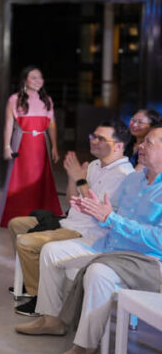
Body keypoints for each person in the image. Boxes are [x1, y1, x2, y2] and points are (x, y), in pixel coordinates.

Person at [15, 124, 162, 354]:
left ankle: (86, 347)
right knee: (52, 251)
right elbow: (115, 214)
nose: (141, 146)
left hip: (145, 261)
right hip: (111, 247)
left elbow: (158, 239)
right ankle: (52, 319)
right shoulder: (135, 180)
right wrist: (94, 210)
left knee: (99, 273)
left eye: (149, 143)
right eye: (142, 141)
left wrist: (111, 219)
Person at [8, 120, 134, 315]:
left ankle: (38, 298)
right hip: (69, 222)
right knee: (16, 224)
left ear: (119, 146)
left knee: (26, 242)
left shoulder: (124, 174)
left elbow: (97, 209)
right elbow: (72, 199)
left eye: (101, 138)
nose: (94, 141)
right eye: (93, 136)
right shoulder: (94, 165)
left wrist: (80, 179)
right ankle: (35, 279)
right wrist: (71, 178)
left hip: (87, 232)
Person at [0, 66, 60, 227]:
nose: (38, 80)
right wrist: (6, 146)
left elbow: (52, 125)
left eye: (40, 77)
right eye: (33, 77)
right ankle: (17, 215)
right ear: (25, 80)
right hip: (22, 143)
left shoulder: (47, 100)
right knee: (20, 179)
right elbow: (8, 125)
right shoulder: (15, 99)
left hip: (41, 145)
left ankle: (40, 216)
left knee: (40, 180)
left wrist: (54, 146)